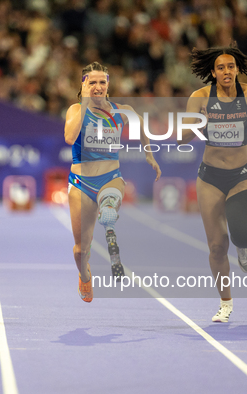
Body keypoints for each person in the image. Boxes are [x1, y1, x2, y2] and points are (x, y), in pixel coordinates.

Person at [178, 43, 247, 322]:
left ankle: (243, 244)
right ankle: (225, 303)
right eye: (220, 67)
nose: (226, 71)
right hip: (210, 177)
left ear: (237, 70)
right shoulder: (199, 97)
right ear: (213, 72)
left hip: (242, 173)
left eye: (230, 67)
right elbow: (183, 136)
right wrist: (200, 124)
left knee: (245, 234)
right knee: (216, 246)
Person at [64, 62, 162, 303]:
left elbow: (140, 125)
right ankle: (85, 277)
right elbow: (69, 137)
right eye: (92, 82)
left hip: (110, 177)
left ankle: (108, 212)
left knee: (110, 201)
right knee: (80, 250)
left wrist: (148, 153)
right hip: (81, 183)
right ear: (84, 84)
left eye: (102, 82)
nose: (98, 87)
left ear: (108, 85)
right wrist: (85, 104)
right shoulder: (76, 110)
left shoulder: (120, 111)